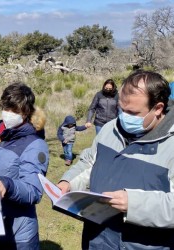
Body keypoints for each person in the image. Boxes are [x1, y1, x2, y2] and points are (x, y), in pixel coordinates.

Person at [58, 70, 174, 249]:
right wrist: (69, 182)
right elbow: (89, 162)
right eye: (122, 109)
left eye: (133, 113)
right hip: (97, 239)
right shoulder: (109, 128)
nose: (124, 117)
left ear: (158, 108)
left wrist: (133, 204)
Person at [0, 82, 50, 249]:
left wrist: (7, 185)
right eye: (6, 108)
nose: (9, 114)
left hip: (15, 234)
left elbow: (34, 191)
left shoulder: (35, 144)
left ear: (27, 112)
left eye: (15, 111)